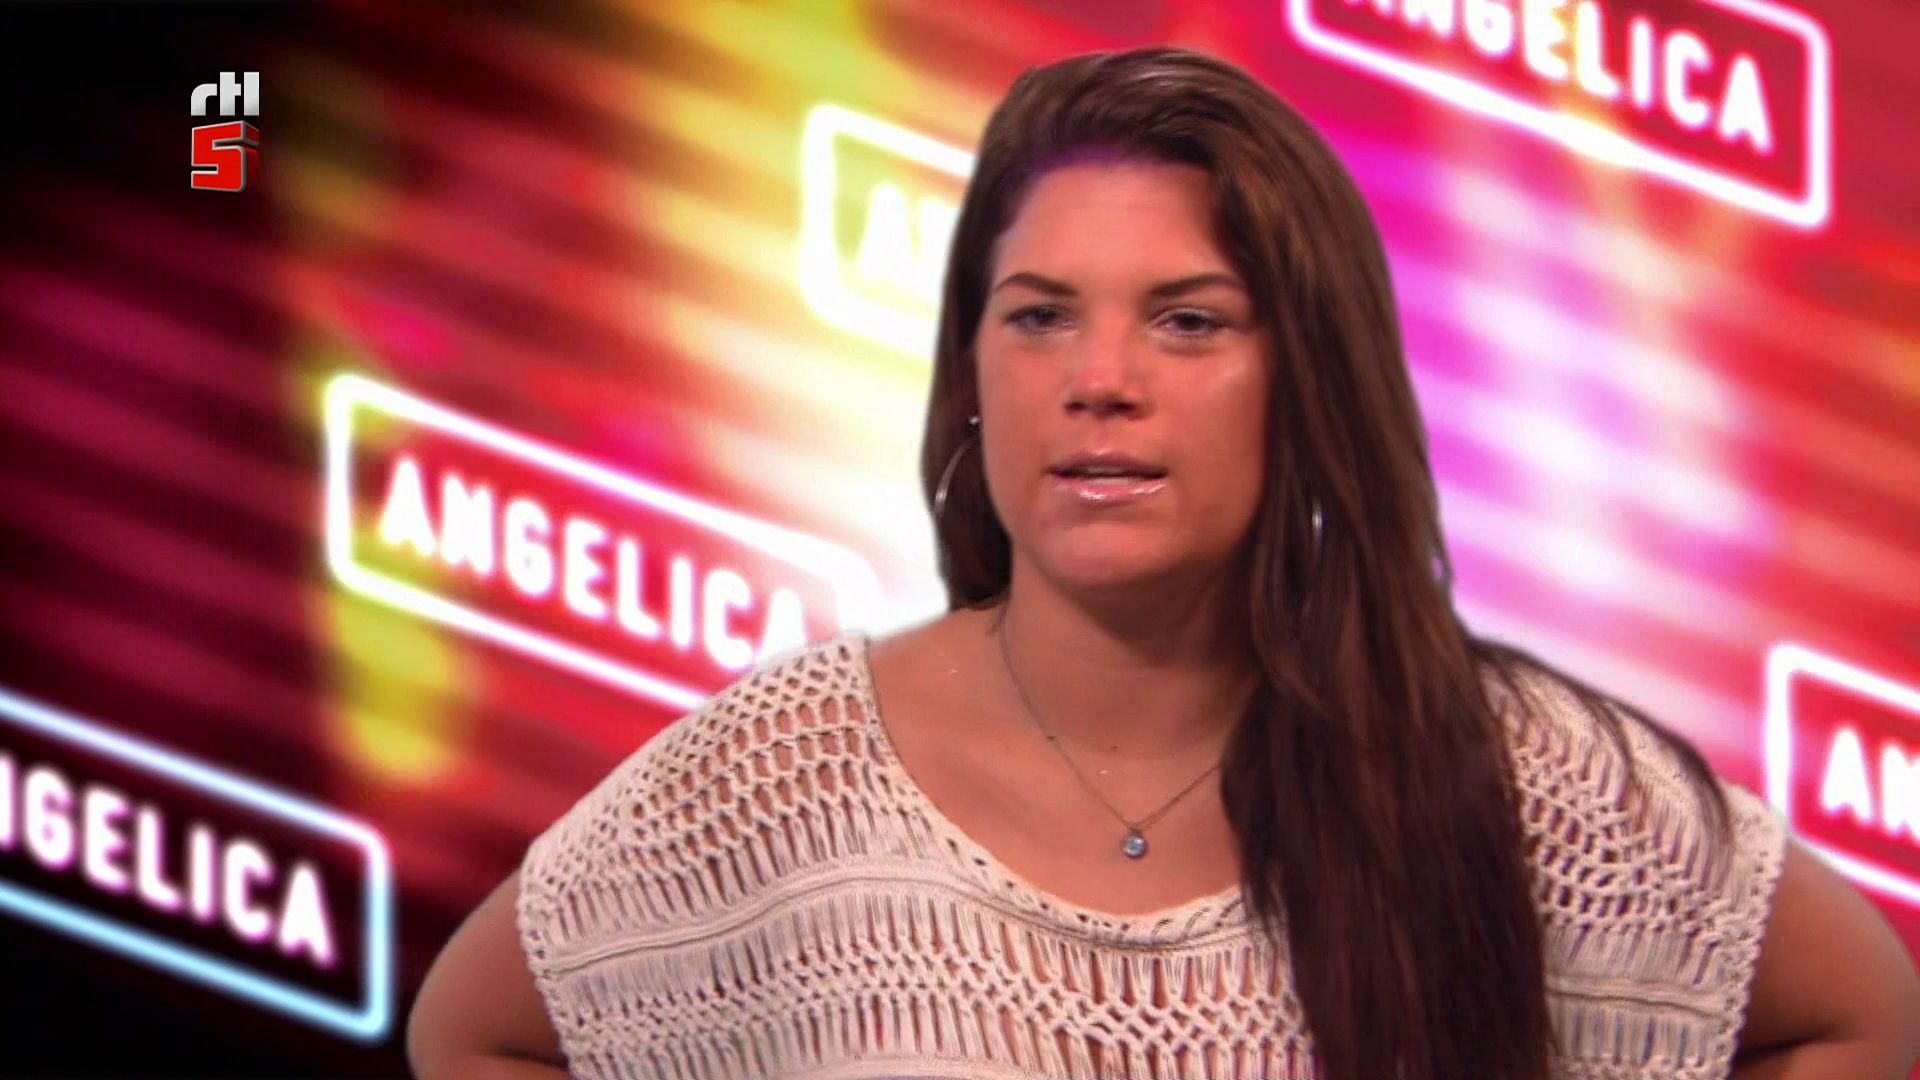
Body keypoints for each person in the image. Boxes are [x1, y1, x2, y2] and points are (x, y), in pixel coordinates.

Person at [405, 45, 1920, 1080]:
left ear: (1304, 375)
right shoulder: (784, 773)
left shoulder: (1515, 771)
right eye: (1040, 316)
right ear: (973, 371)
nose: (1099, 381)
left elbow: (1855, 1017)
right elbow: (474, 1035)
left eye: (1188, 322)